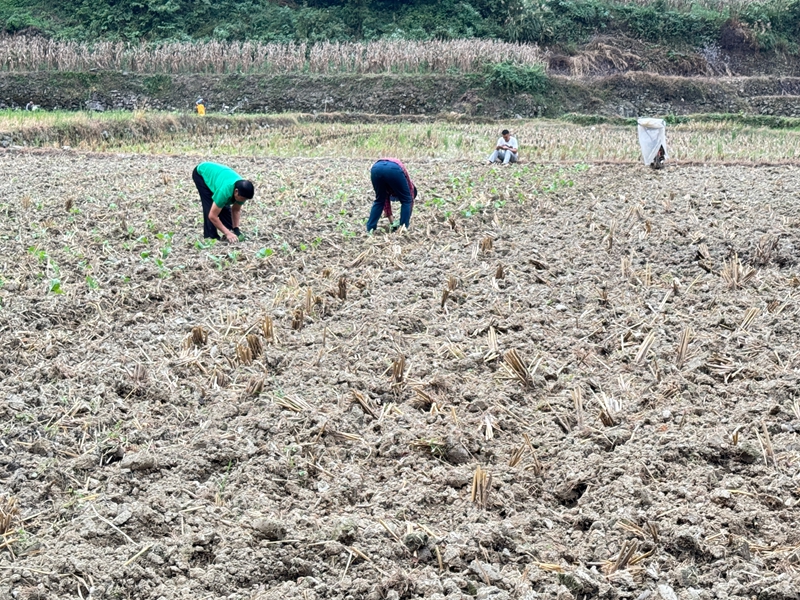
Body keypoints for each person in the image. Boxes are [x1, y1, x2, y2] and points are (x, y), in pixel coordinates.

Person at [192, 162, 254, 242]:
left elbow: (236, 210)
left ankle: (230, 232)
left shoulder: (243, 193)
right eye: (242, 198)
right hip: (201, 173)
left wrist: (236, 229)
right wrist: (227, 233)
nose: (243, 201)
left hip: (220, 177)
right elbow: (212, 216)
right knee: (210, 206)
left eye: (245, 199)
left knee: (224, 208)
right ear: (236, 191)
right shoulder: (224, 191)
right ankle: (211, 237)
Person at [366, 158, 417, 232]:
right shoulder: (410, 186)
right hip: (393, 169)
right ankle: (403, 229)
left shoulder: (391, 187)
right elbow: (409, 200)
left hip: (376, 168)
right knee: (407, 200)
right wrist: (406, 220)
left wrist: (392, 224)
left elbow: (385, 204)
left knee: (380, 200)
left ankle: (370, 229)